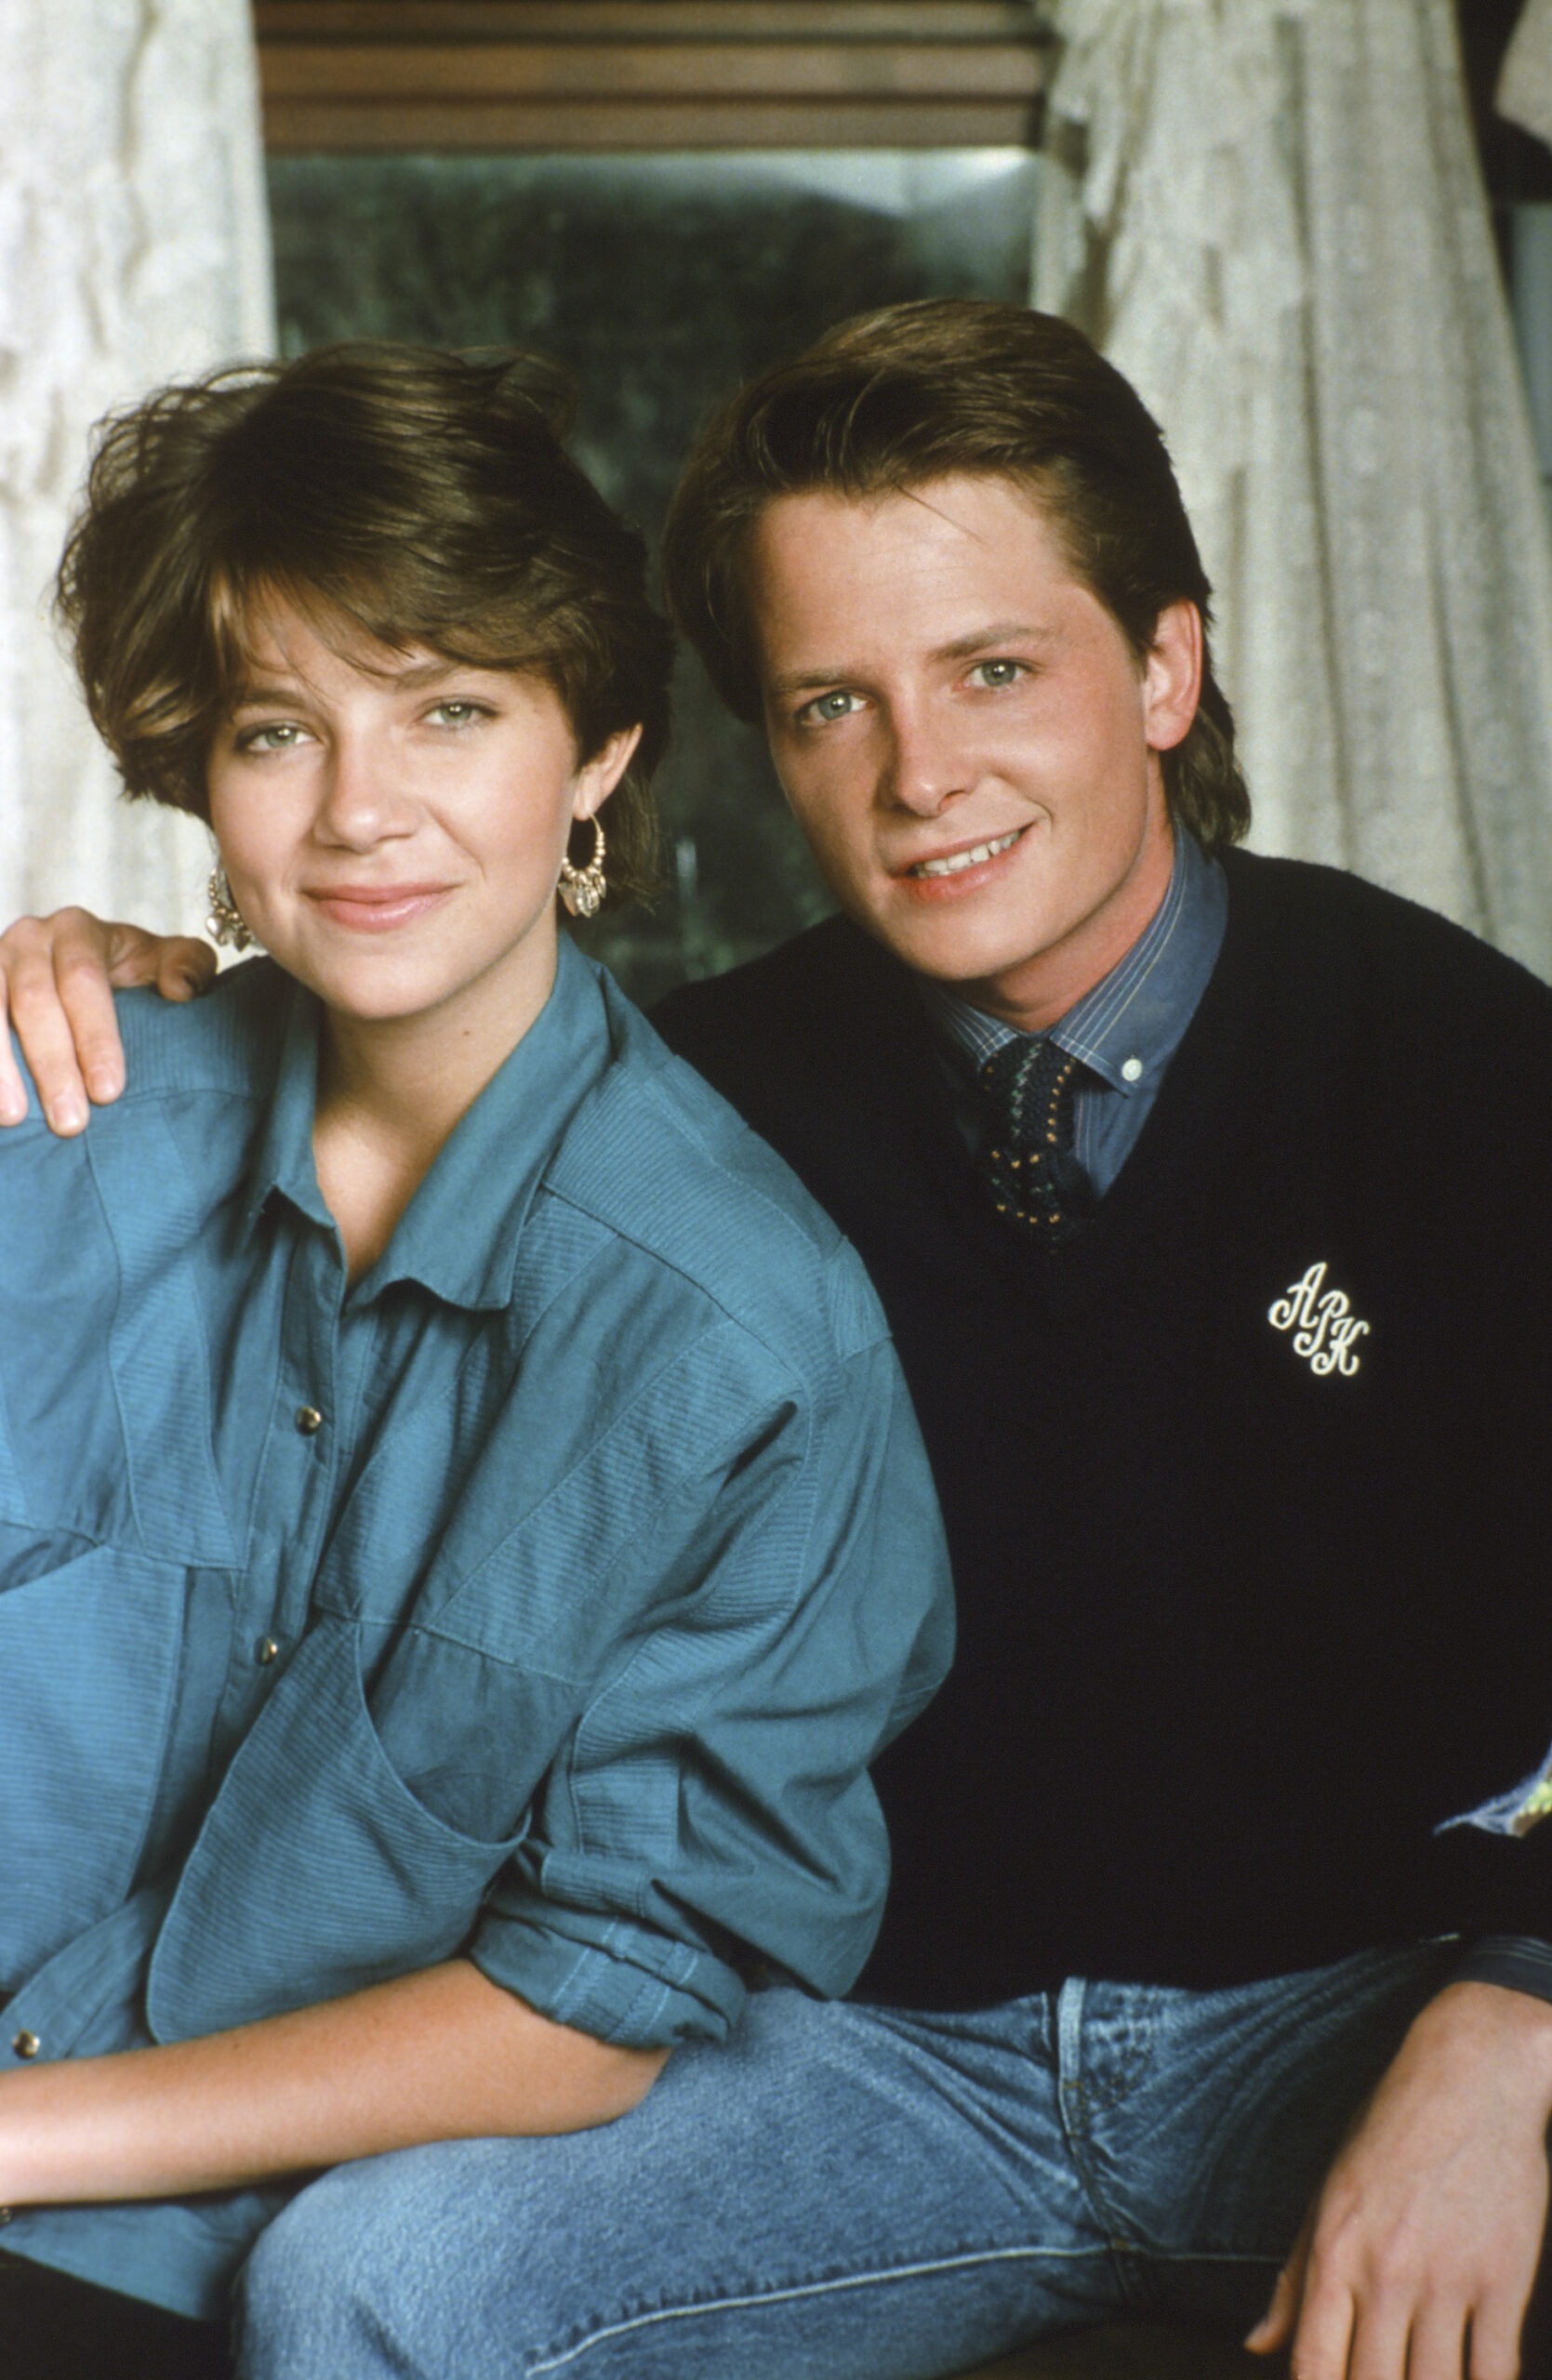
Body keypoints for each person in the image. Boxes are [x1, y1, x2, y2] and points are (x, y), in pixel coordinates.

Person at [6, 298, 1552, 2380]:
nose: (921, 774)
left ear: (1165, 665)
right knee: (372, 2281)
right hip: (865, 2049)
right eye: (833, 701)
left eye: (995, 669)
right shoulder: (691, 1116)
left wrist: (1512, 2008)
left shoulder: (1458, 1061)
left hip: (1360, 2006)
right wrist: (125, 976)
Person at [0, 339, 950, 2380]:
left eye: (450, 710)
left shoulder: (749, 1343)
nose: (361, 813)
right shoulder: (46, 1120)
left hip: (231, 2262)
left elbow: (593, 1994)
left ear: (595, 747)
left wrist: (16, 2140)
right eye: (278, 729)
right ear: (193, 764)